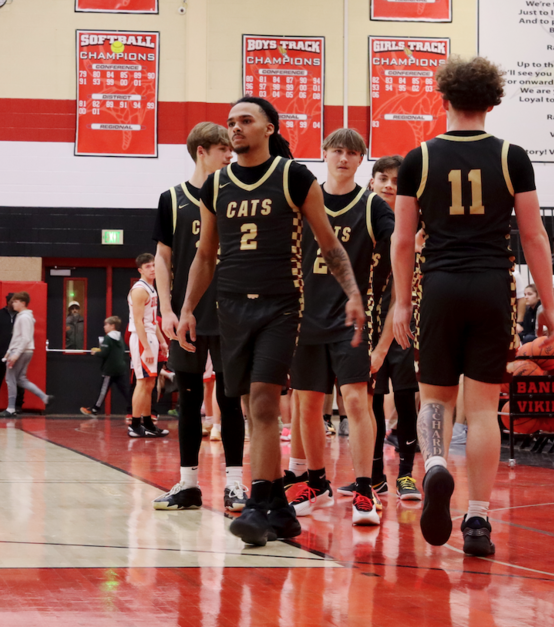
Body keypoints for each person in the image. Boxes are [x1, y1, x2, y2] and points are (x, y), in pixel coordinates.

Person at [177, 96, 365, 547]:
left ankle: (260, 501)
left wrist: (354, 293)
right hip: (231, 307)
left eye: (245, 121)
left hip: (283, 306)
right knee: (243, 405)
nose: (235, 129)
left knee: (262, 401)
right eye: (231, 123)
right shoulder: (216, 186)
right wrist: (186, 307)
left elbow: (329, 243)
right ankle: (280, 511)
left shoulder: (293, 176)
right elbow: (206, 254)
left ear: (269, 128)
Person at [391, 56, 554, 557]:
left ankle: (436, 464)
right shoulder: (513, 157)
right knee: (484, 409)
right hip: (491, 285)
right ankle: (478, 520)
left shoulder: (418, 158)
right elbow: (532, 235)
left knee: (435, 398)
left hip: (438, 285)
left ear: (444, 99)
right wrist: (548, 304)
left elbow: (402, 240)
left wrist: (402, 303)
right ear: (492, 101)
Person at [285, 129, 394, 527]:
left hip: (351, 321)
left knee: (355, 401)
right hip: (305, 318)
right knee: (309, 405)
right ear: (324, 154)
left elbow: (397, 249)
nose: (343, 158)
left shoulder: (372, 206)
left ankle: (365, 487)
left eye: (352, 152)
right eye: (337, 151)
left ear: (362, 158)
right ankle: (316, 481)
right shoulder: (304, 199)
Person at [151, 121, 247, 511]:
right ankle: (188, 483)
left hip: (230, 311)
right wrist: (167, 308)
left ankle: (236, 483)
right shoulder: (172, 199)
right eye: (224, 148)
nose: (231, 154)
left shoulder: (237, 195)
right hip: (187, 313)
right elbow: (163, 256)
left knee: (230, 398)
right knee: (189, 400)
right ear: (202, 151)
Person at [348, 153, 423, 506]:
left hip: (403, 321)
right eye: (383, 178)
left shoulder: (409, 225)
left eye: (396, 180)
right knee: (371, 401)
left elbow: (401, 291)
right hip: (367, 320)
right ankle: (374, 477)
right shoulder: (360, 217)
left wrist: (383, 344)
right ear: (372, 182)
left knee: (406, 398)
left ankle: (406, 475)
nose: (389, 185)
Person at [128, 253, 169, 438]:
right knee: (142, 382)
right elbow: (138, 322)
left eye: (154, 265)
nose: (152, 269)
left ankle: (148, 423)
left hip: (151, 336)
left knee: (150, 383)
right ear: (140, 270)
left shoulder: (152, 289)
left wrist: (161, 341)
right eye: (148, 266)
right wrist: (145, 346)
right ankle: (135, 425)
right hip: (140, 337)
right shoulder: (139, 290)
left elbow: (153, 321)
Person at [0, 292, 52, 418]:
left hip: (20, 351)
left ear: (23, 303)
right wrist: (8, 353)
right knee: (21, 379)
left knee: (10, 379)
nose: (13, 303)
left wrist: (15, 354)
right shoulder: (24, 316)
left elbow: (25, 338)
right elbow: (18, 337)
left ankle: (11, 408)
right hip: (24, 351)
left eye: (15, 301)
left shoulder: (23, 318)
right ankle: (44, 397)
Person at [83, 316, 130, 416]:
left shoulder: (108, 338)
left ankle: (95, 409)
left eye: (106, 324)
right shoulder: (120, 338)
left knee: (103, 390)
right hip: (120, 368)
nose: (104, 327)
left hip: (109, 369)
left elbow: (104, 353)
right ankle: (134, 407)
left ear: (112, 326)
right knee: (125, 390)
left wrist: (95, 353)